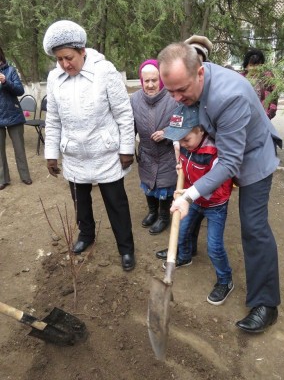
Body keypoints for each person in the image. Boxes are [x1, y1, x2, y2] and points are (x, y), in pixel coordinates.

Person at [158, 42, 282, 333]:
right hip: (224, 149)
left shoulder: (230, 96)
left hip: (253, 156)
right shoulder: (189, 83)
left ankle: (266, 303)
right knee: (208, 199)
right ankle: (189, 251)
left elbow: (229, 163)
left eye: (181, 91)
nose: (176, 98)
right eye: (170, 91)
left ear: (200, 73)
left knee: (253, 226)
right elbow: (188, 124)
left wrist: (189, 194)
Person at [42, 20, 135, 271]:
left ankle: (126, 249)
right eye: (59, 59)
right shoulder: (54, 78)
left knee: (116, 203)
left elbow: (124, 113)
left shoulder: (104, 71)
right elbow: (53, 118)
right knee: (80, 202)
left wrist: (126, 148)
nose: (64, 64)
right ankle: (86, 236)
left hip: (105, 152)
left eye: (69, 57)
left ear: (82, 51)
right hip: (74, 154)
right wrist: (51, 154)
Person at [156, 106, 234, 305]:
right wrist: (180, 166)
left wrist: (187, 196)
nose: (182, 144)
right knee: (182, 231)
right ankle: (184, 256)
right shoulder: (185, 145)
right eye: (179, 139)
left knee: (214, 247)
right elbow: (184, 162)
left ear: (201, 130)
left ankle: (225, 281)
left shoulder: (215, 151)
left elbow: (215, 183)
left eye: (186, 139)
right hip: (192, 199)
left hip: (215, 203)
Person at [130, 59, 178, 234]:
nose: (150, 85)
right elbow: (129, 126)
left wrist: (167, 132)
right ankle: (152, 212)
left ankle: (164, 216)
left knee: (165, 185)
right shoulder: (134, 99)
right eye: (146, 81)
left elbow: (185, 123)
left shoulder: (174, 97)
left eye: (154, 80)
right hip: (147, 152)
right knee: (148, 184)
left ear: (162, 79)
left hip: (167, 153)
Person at [0, 47, 32, 190]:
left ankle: (25, 176)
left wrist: (6, 82)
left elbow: (20, 90)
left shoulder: (10, 71)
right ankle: (2, 179)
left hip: (13, 114)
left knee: (19, 148)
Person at [241, 48, 278, 120]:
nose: (255, 68)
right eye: (251, 65)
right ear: (246, 66)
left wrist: (270, 113)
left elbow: (274, 95)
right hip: (244, 116)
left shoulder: (268, 77)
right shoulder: (240, 78)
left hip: (264, 116)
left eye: (258, 65)